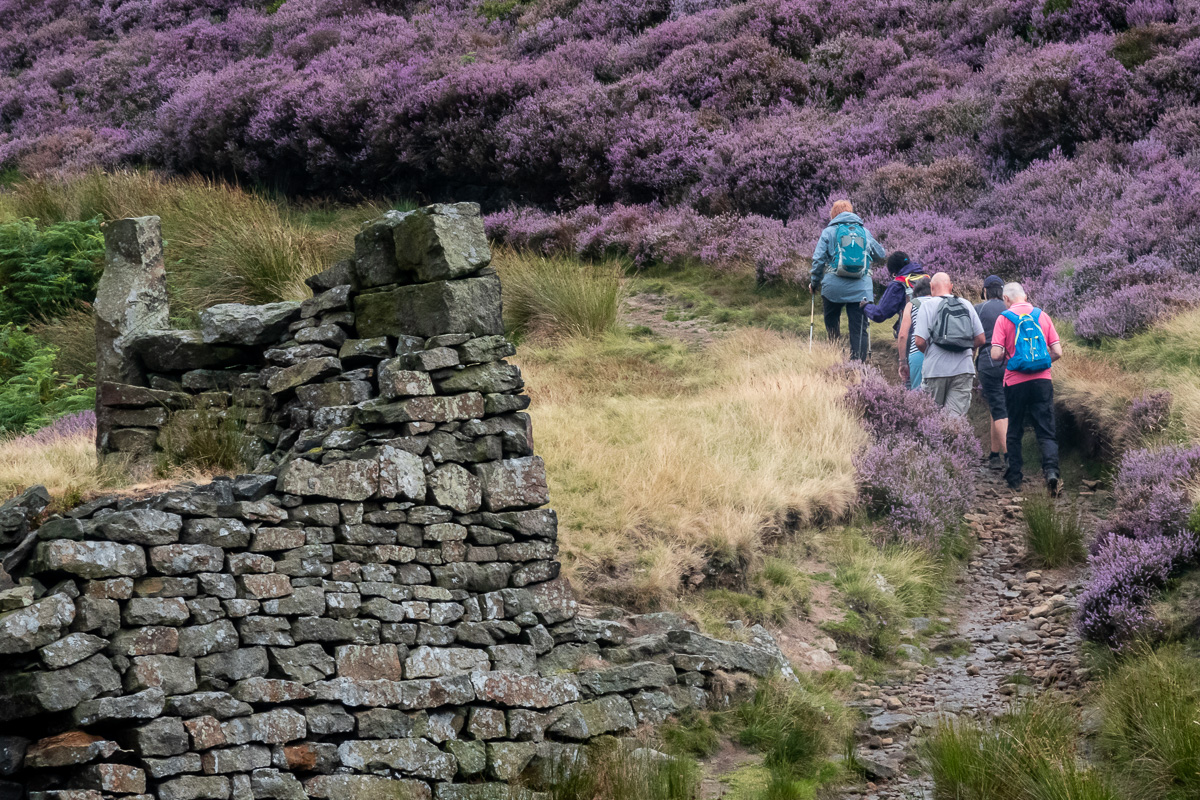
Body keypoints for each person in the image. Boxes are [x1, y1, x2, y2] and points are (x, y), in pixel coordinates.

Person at [990, 281, 1064, 494]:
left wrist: (1012, 357)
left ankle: (1015, 478)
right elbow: (1057, 351)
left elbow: (995, 354)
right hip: (1042, 381)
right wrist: (1040, 363)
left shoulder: (1004, 319)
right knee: (1046, 430)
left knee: (1014, 429)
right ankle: (1051, 472)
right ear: (1024, 295)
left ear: (1006, 299)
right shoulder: (1042, 316)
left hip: (1015, 382)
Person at [810, 200, 886, 361]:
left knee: (832, 322)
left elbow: (818, 260)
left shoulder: (828, 232)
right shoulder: (864, 232)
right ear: (851, 212)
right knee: (859, 329)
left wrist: (814, 283)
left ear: (833, 214)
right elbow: (881, 255)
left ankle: (836, 357)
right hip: (861, 289)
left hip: (832, 288)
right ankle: (857, 366)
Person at [913, 272, 986, 415]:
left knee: (932, 418)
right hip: (963, 369)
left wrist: (931, 351)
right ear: (951, 287)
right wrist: (965, 346)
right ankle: (954, 438)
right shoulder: (966, 304)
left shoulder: (927, 306)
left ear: (931, 287)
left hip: (935, 369)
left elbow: (919, 341)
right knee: (954, 420)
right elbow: (981, 338)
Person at [975, 275, 1009, 471]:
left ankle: (1008, 456)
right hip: (1012, 362)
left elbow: (972, 336)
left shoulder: (979, 308)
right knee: (998, 407)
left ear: (985, 290)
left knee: (998, 408)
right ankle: (994, 454)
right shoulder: (1010, 309)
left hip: (988, 361)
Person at [864, 251, 931, 335]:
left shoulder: (898, 285)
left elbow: (880, 314)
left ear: (894, 273)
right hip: (932, 331)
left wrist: (866, 306)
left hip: (911, 334)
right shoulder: (926, 278)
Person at [896, 275, 931, 390]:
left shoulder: (912, 304)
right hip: (940, 354)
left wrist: (902, 362)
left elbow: (902, 335)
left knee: (920, 398)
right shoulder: (942, 301)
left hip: (918, 354)